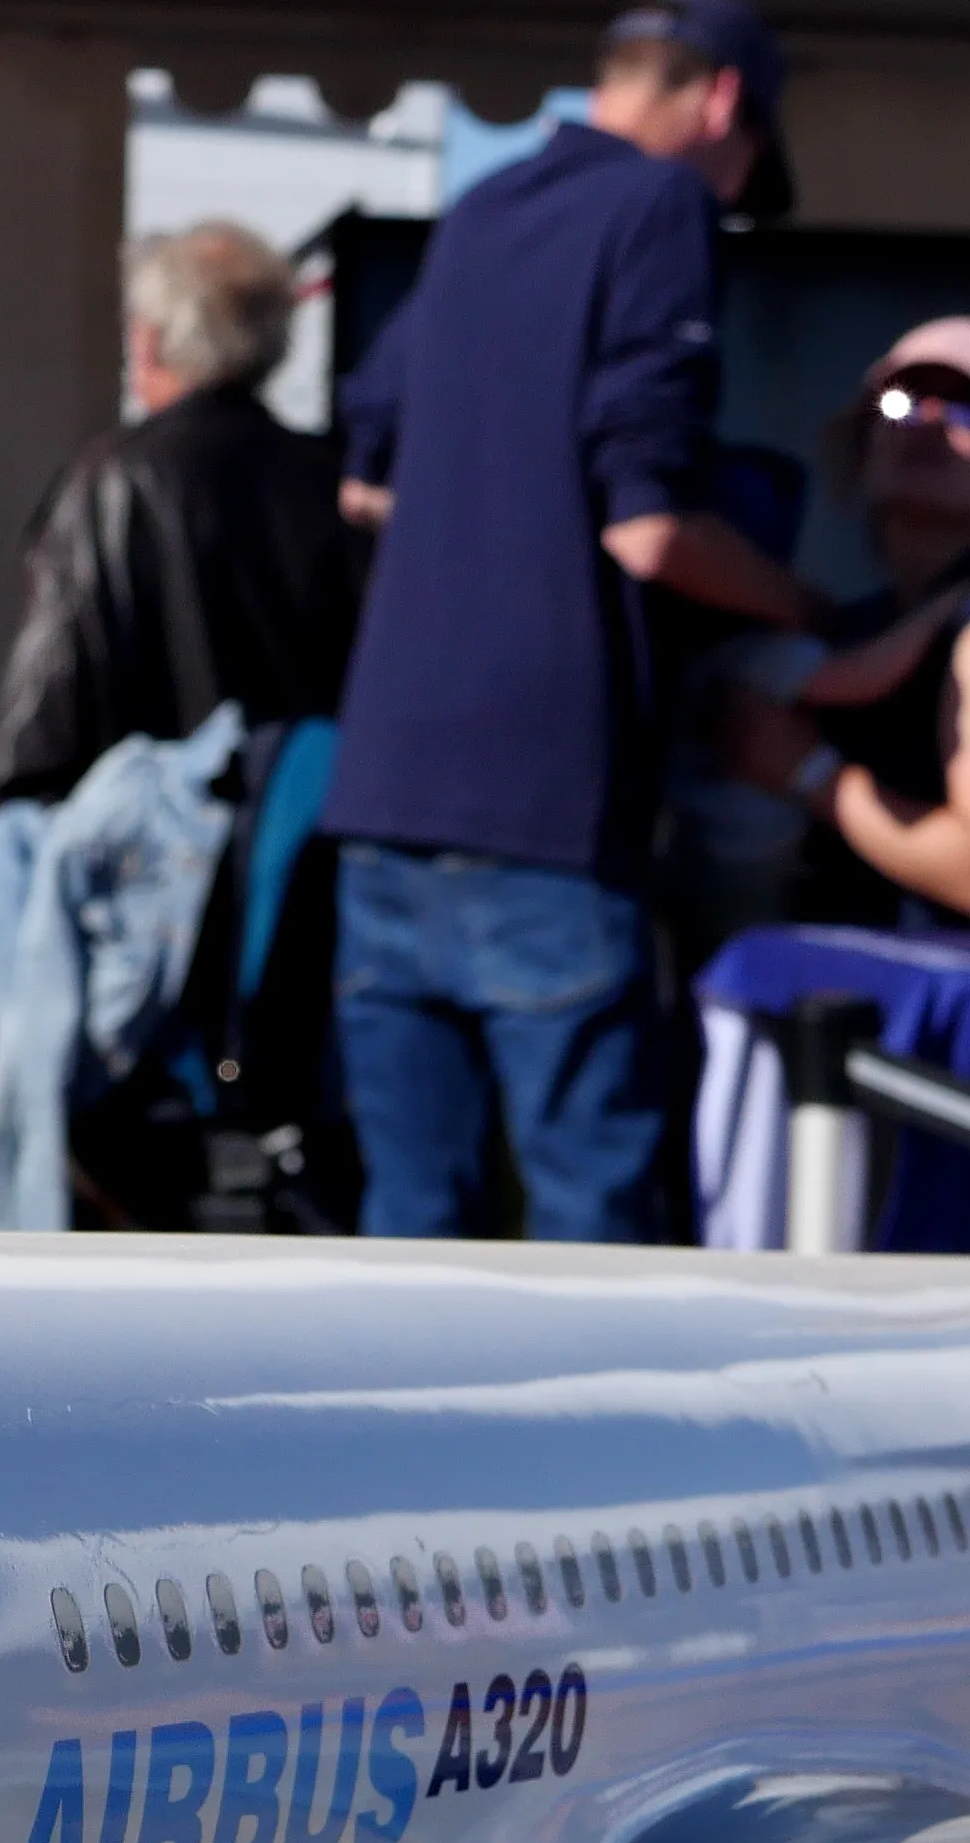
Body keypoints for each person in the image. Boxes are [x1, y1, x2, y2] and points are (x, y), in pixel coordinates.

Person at [321, 0, 823, 1246]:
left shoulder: (482, 209)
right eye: (744, 167)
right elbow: (647, 529)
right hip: (543, 800)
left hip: (386, 791)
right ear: (722, 103)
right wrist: (798, 600)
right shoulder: (661, 206)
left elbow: (363, 484)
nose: (728, 194)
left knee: (408, 1234)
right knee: (592, 1246)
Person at [714, 318, 970, 931]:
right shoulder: (860, 625)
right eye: (900, 404)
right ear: (862, 447)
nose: (929, 422)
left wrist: (808, 774)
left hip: (935, 985)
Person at [0, 222, 358, 808]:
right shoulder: (335, 483)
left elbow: (44, 714)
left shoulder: (106, 482)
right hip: (293, 833)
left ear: (151, 341)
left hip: (143, 834)